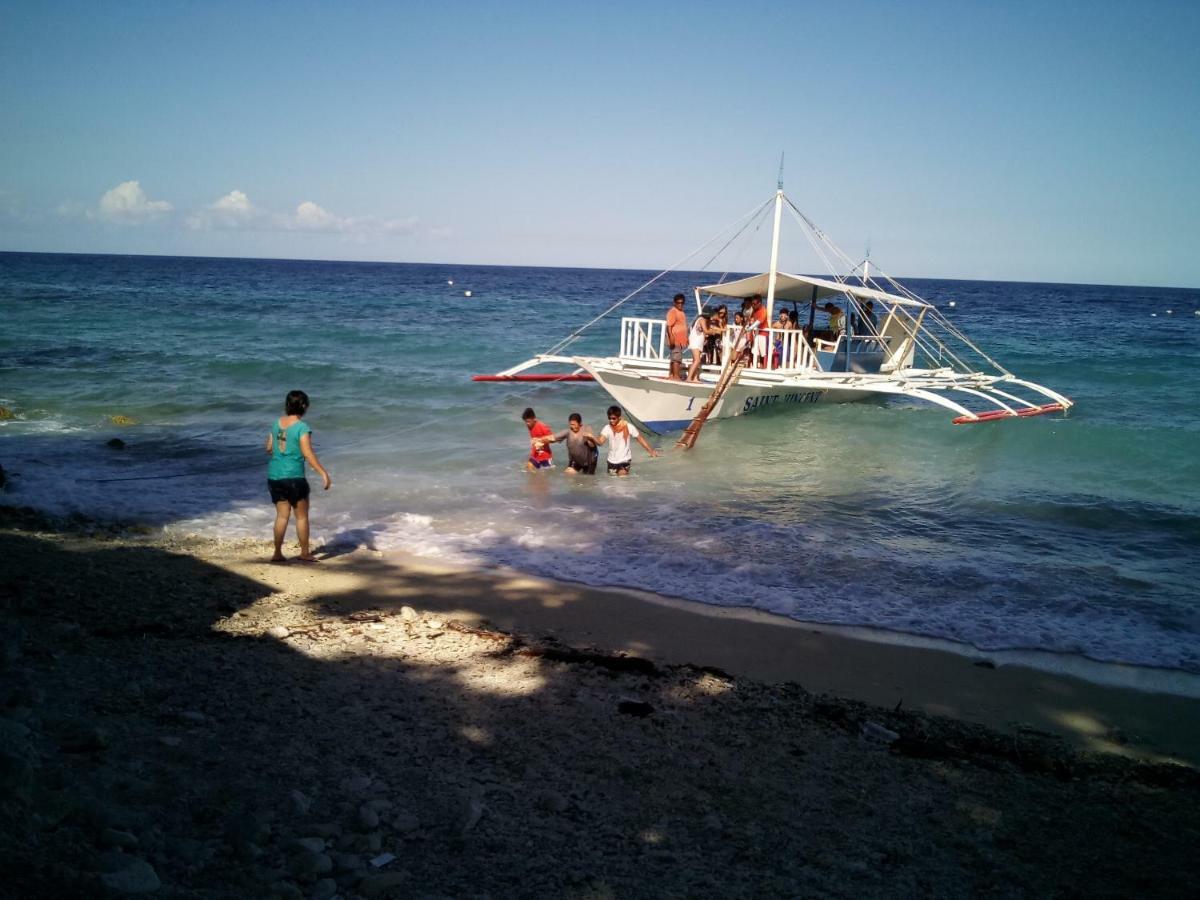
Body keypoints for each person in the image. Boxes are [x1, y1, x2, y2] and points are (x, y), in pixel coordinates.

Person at [265, 390, 331, 564]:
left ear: (287, 405)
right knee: (301, 516)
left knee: (281, 516)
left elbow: (269, 447)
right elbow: (308, 453)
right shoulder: (302, 427)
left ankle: (277, 553)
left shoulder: (276, 423)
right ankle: (304, 553)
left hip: (274, 475)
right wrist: (323, 472)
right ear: (304, 406)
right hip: (294, 476)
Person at [592, 405, 658, 476]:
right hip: (611, 461)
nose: (611, 420)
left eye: (613, 418)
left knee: (622, 478)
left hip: (625, 460)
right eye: (609, 418)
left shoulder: (629, 427)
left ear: (619, 417)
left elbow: (640, 438)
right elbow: (600, 442)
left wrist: (651, 451)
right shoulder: (607, 428)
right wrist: (592, 437)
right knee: (612, 483)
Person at [522, 407, 555, 471]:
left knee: (545, 476)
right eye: (525, 422)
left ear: (534, 419)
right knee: (529, 466)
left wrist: (540, 441)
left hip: (545, 456)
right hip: (535, 454)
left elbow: (553, 439)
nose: (527, 424)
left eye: (528, 421)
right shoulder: (530, 426)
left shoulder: (542, 426)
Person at [666, 293, 688, 381]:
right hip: (674, 338)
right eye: (678, 303)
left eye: (682, 303)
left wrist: (686, 338)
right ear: (674, 303)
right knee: (676, 359)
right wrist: (671, 337)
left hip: (680, 339)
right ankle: (675, 376)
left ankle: (672, 375)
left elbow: (683, 325)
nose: (680, 304)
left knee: (675, 357)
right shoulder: (673, 312)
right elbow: (669, 326)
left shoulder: (681, 312)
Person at [686, 307, 710, 382]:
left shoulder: (701, 319)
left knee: (695, 361)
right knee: (697, 360)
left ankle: (695, 378)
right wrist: (715, 331)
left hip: (698, 342)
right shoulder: (702, 319)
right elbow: (706, 331)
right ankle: (689, 378)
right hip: (695, 342)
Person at [749, 295, 769, 367]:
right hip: (756, 333)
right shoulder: (754, 310)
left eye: (754, 304)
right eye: (752, 304)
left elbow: (759, 321)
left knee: (763, 353)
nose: (753, 305)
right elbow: (751, 319)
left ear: (759, 303)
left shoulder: (763, 310)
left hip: (763, 334)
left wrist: (750, 328)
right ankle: (754, 366)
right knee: (754, 351)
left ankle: (764, 367)